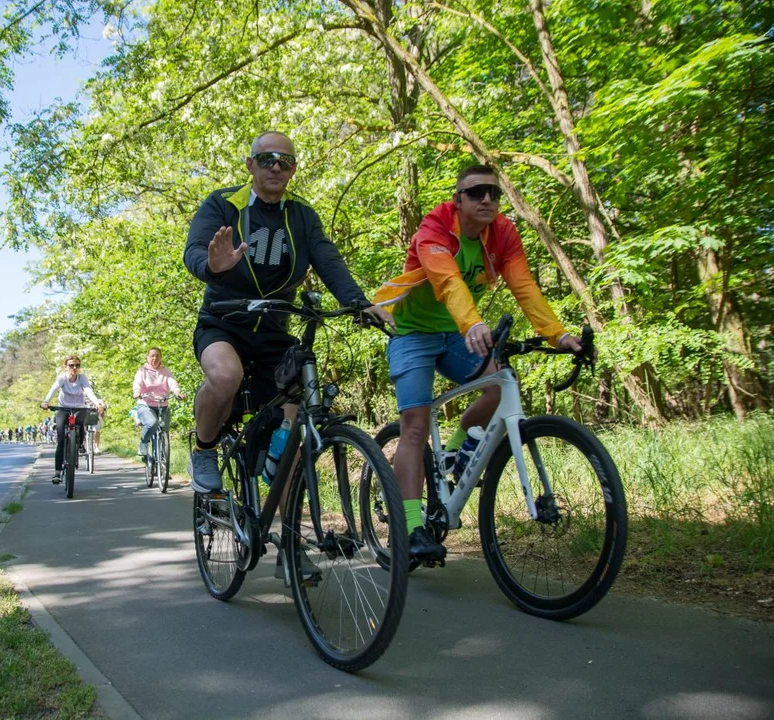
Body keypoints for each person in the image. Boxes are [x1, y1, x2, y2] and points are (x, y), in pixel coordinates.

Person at [374, 164, 584, 563]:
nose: (487, 199)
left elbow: (524, 286)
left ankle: (455, 452)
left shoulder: (503, 233)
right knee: (415, 427)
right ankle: (412, 529)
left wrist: (557, 334)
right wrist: (473, 323)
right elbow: (449, 281)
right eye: (476, 193)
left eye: (493, 192)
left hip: (455, 334)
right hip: (414, 334)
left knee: (501, 383)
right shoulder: (434, 228)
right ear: (459, 200)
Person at [184, 130, 393, 491]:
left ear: (294, 169)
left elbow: (328, 261)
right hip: (223, 321)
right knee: (224, 376)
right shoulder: (223, 204)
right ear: (250, 165)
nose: (276, 167)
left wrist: (359, 304)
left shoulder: (302, 215)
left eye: (286, 161)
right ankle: (205, 449)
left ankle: (286, 539)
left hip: (274, 329)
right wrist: (212, 265)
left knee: (297, 423)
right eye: (267, 159)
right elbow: (196, 251)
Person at [41, 355, 106, 484]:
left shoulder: (82, 378)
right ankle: (57, 473)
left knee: (81, 423)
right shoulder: (62, 378)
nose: (74, 368)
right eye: (71, 365)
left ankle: (80, 443)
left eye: (77, 365)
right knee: (60, 440)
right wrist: (46, 401)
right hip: (63, 408)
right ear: (66, 367)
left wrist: (97, 404)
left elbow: (88, 391)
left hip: (79, 408)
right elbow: (53, 389)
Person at [132, 347, 186, 460]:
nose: (154, 358)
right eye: (152, 355)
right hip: (146, 404)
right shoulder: (142, 371)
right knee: (152, 423)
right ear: (147, 357)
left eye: (157, 356)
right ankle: (143, 442)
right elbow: (138, 382)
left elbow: (172, 382)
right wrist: (137, 392)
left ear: (160, 358)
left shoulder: (165, 371)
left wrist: (177, 392)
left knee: (163, 433)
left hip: (163, 405)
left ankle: (161, 466)